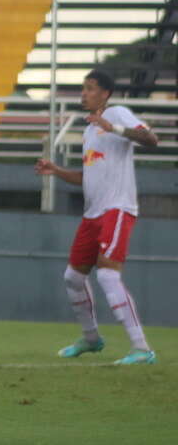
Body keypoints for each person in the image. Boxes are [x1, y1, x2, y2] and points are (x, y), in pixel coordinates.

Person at [36, 70, 159, 365]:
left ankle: (142, 348)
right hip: (92, 214)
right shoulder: (90, 130)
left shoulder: (117, 113)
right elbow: (87, 177)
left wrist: (112, 125)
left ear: (105, 94)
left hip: (117, 209)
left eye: (90, 88)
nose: (84, 93)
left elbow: (151, 139)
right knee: (73, 277)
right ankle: (91, 339)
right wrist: (57, 170)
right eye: (83, 88)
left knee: (106, 274)